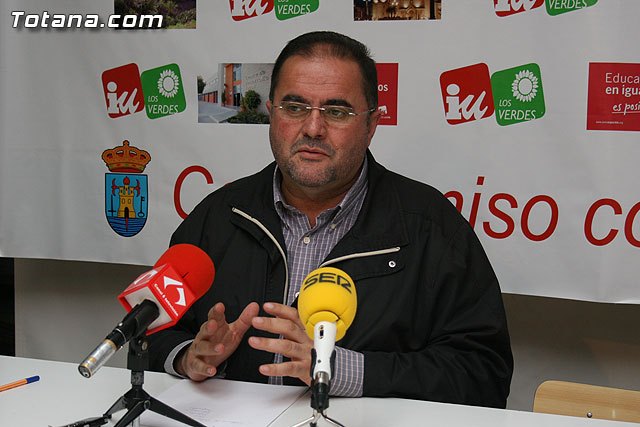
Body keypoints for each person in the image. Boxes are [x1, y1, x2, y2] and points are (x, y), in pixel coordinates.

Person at [148, 31, 513, 408]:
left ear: (371, 124)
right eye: (294, 107)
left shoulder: (430, 227)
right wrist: (187, 356)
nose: (312, 128)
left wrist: (343, 370)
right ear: (272, 113)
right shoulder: (218, 215)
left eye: (337, 112)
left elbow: (484, 374)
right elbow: (146, 331)